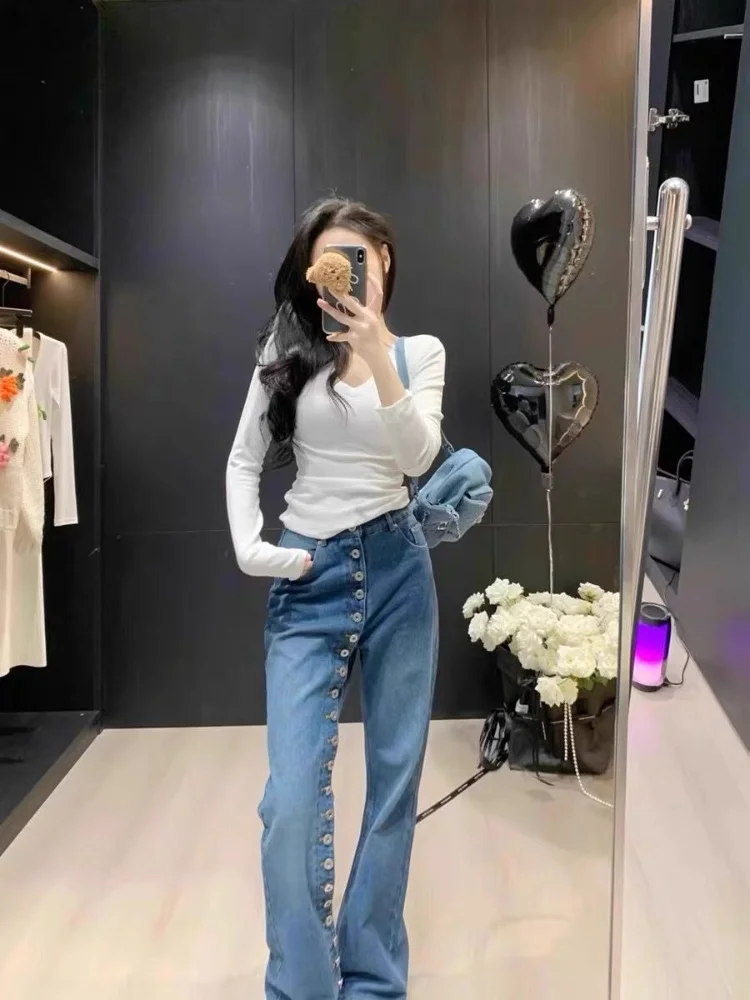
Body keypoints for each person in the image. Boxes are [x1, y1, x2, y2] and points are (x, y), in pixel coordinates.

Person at [226, 197, 445, 1000]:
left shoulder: (419, 353)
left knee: (394, 786)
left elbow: (417, 456)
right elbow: (244, 459)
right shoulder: (287, 351)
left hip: (398, 570)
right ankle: (301, 986)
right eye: (330, 264)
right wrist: (251, 544)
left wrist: (376, 349)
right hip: (308, 574)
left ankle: (375, 979)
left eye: (360, 258)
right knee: (290, 801)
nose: (347, 275)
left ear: (384, 261)